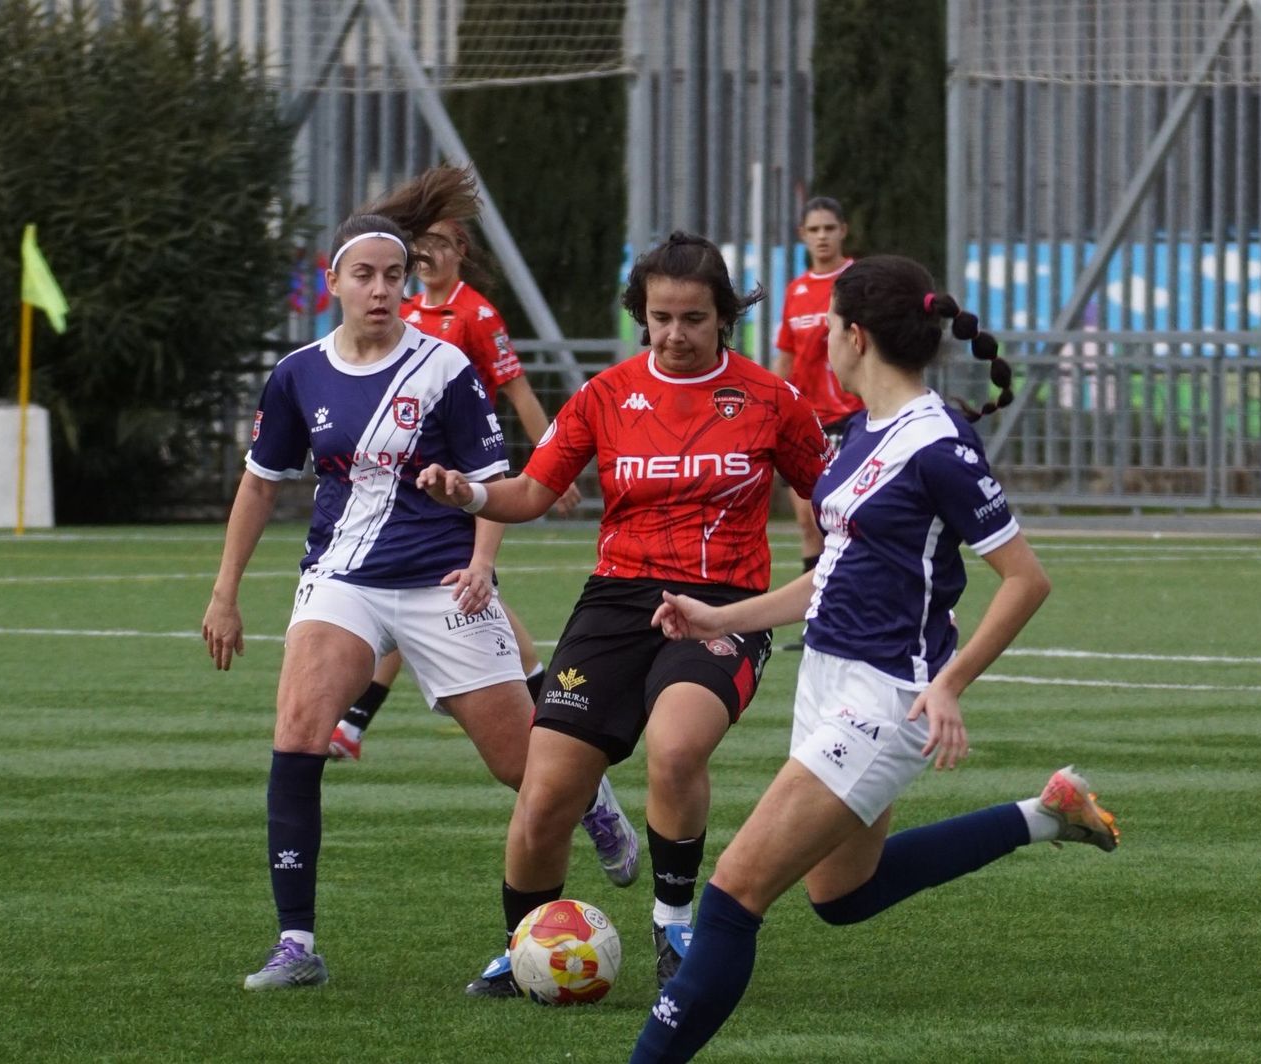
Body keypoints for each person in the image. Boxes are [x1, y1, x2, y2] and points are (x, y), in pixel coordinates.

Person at [628, 255, 1120, 1062]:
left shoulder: (936, 444)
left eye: (826, 327)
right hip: (826, 679)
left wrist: (950, 684)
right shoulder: (863, 430)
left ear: (855, 336)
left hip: (887, 697)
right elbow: (831, 575)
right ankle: (1045, 815)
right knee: (841, 894)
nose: (819, 339)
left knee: (731, 898)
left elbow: (1026, 581)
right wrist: (721, 615)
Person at [199, 164, 638, 993]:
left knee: (525, 767)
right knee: (297, 732)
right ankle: (296, 943)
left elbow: (492, 481)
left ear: (409, 281)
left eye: (393, 276)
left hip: (442, 582)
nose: (380, 289)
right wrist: (225, 592)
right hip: (343, 580)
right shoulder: (298, 373)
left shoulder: (443, 368)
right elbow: (261, 483)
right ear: (331, 282)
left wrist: (481, 566)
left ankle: (594, 804)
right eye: (363, 275)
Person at [415, 231, 834, 996]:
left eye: (693, 319)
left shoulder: (771, 400)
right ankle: (525, 945)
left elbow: (836, 494)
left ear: (722, 319)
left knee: (676, 748)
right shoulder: (605, 396)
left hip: (723, 604)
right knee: (547, 794)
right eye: (660, 317)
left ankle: (674, 924)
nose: (674, 334)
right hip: (616, 600)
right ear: (641, 315)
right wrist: (470, 493)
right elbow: (533, 492)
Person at [327, 214, 582, 764]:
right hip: (404, 494)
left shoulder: (476, 314)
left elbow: (516, 390)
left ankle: (554, 737)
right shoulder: (404, 311)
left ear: (460, 251)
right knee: (408, 602)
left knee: (466, 599)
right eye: (420, 250)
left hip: (464, 492)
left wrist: (550, 466)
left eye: (439, 246)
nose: (428, 259)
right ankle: (354, 724)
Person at [774, 197, 861, 608]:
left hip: (852, 418)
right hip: (806, 422)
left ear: (843, 230)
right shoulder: (796, 290)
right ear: (802, 236)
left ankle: (850, 601)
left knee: (842, 518)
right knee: (807, 520)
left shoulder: (857, 280)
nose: (822, 237)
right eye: (814, 230)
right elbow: (787, 355)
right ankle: (815, 612)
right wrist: (769, 402)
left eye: (829, 228)